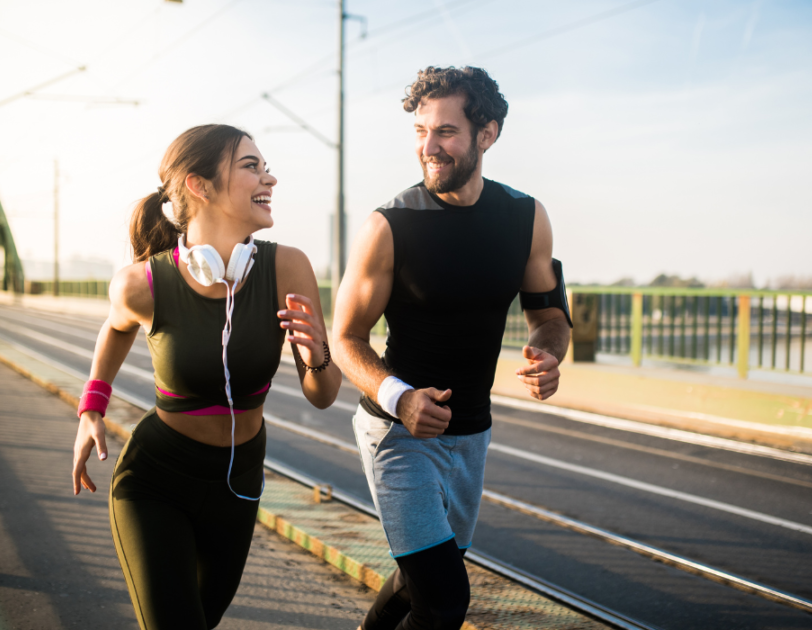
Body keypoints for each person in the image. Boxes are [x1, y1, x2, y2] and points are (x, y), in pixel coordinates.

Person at [71, 124, 342, 630]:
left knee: (201, 618)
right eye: (251, 166)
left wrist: (316, 351)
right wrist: (91, 407)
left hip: (237, 482)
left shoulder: (288, 267)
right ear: (199, 185)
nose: (271, 178)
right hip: (156, 479)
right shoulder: (142, 283)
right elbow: (115, 328)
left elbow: (323, 396)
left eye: (266, 166)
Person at [333, 66, 573, 630]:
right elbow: (345, 338)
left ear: (487, 134)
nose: (428, 147)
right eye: (420, 131)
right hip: (397, 431)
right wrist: (400, 398)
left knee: (421, 580)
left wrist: (550, 353)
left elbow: (549, 317)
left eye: (444, 132)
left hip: (472, 435)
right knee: (444, 601)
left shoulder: (526, 217)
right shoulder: (389, 225)